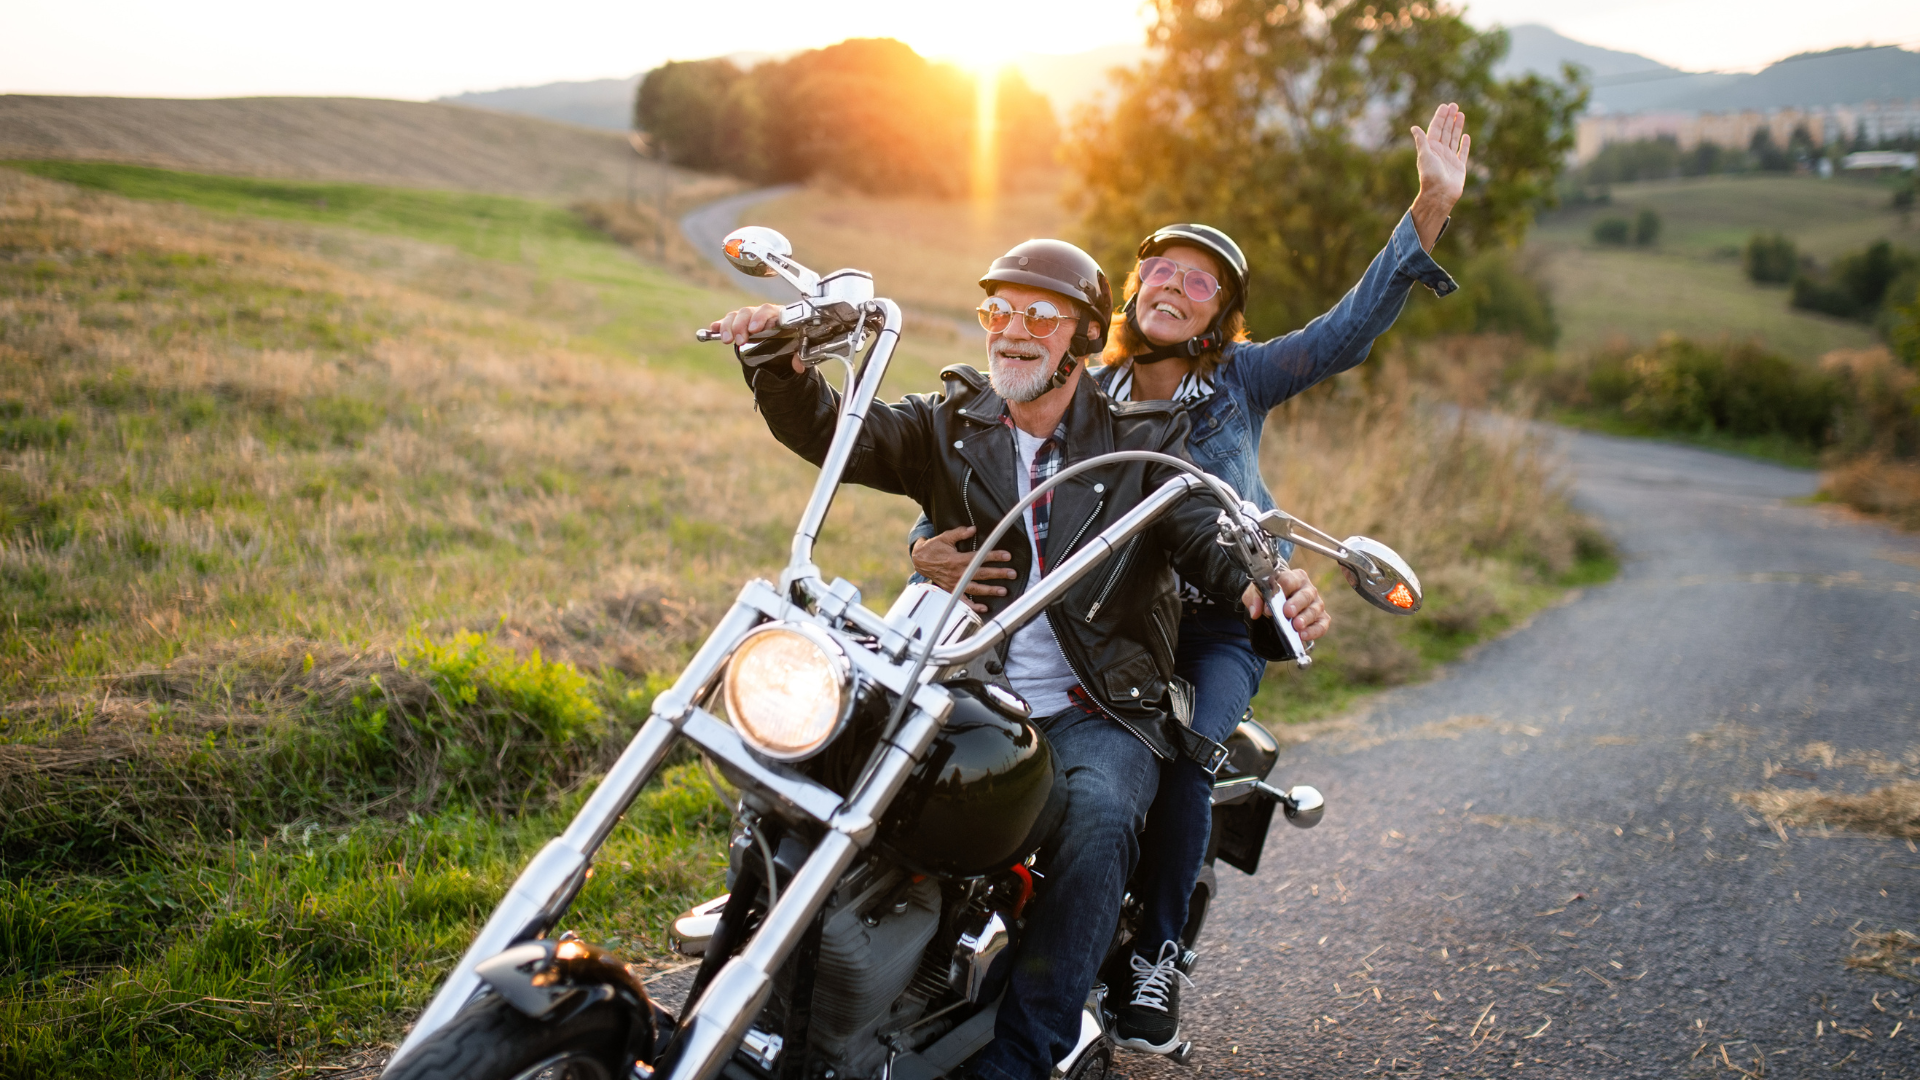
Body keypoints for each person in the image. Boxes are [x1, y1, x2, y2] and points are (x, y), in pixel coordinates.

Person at [908, 102, 1473, 1055]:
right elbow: (993, 472)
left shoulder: (1242, 382)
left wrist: (1427, 211)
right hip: (1113, 609)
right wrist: (925, 545)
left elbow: (1343, 333)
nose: (1176, 284)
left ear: (1219, 315)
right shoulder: (1089, 386)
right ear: (1131, 293)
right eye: (1161, 269)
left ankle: (1157, 951)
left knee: (1189, 751)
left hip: (1219, 616)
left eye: (1201, 282)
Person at [706, 238, 1331, 1080]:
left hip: (1094, 705)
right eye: (999, 309)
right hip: (960, 681)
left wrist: (1269, 589)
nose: (1013, 329)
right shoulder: (951, 422)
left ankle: (1027, 1051)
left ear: (1080, 339)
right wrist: (777, 364)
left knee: (1101, 814)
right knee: (816, 759)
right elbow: (835, 434)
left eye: (1041, 315)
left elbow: (1208, 545)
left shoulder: (1142, 446)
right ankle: (775, 978)